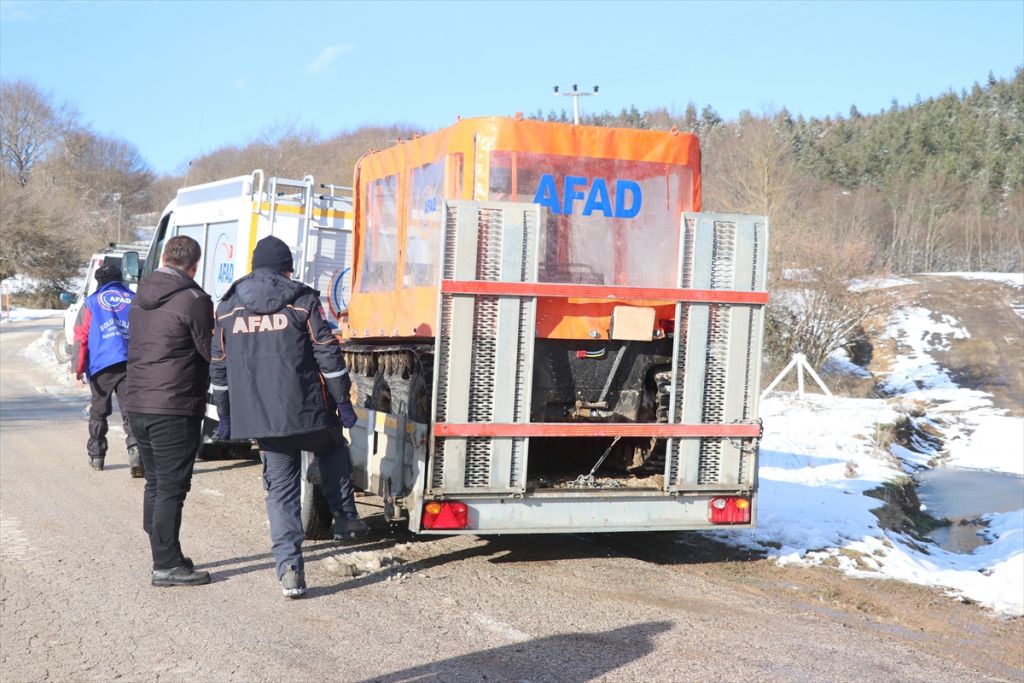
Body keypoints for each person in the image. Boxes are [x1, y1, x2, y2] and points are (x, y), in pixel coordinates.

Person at [210, 235, 367, 599]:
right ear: (287, 267)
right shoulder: (302, 300)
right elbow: (328, 355)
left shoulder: (230, 307)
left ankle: (290, 570)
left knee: (280, 492)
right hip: (310, 411)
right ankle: (345, 517)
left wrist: (226, 415)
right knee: (333, 449)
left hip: (263, 419)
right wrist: (343, 404)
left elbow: (218, 366)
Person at [122, 236, 213, 588]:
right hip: (173, 405)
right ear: (194, 265)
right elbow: (210, 351)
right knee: (171, 487)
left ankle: (166, 552)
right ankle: (166, 564)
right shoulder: (193, 300)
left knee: (157, 483)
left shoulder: (140, 298)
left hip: (139, 402)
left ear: (163, 257)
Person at [72, 264, 141, 475]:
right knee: (131, 411)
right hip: (130, 362)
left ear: (99, 281)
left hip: (101, 364)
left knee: (99, 412)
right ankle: (137, 454)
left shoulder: (91, 303)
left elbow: (81, 336)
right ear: (121, 279)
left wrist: (78, 367)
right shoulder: (134, 299)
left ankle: (97, 456)